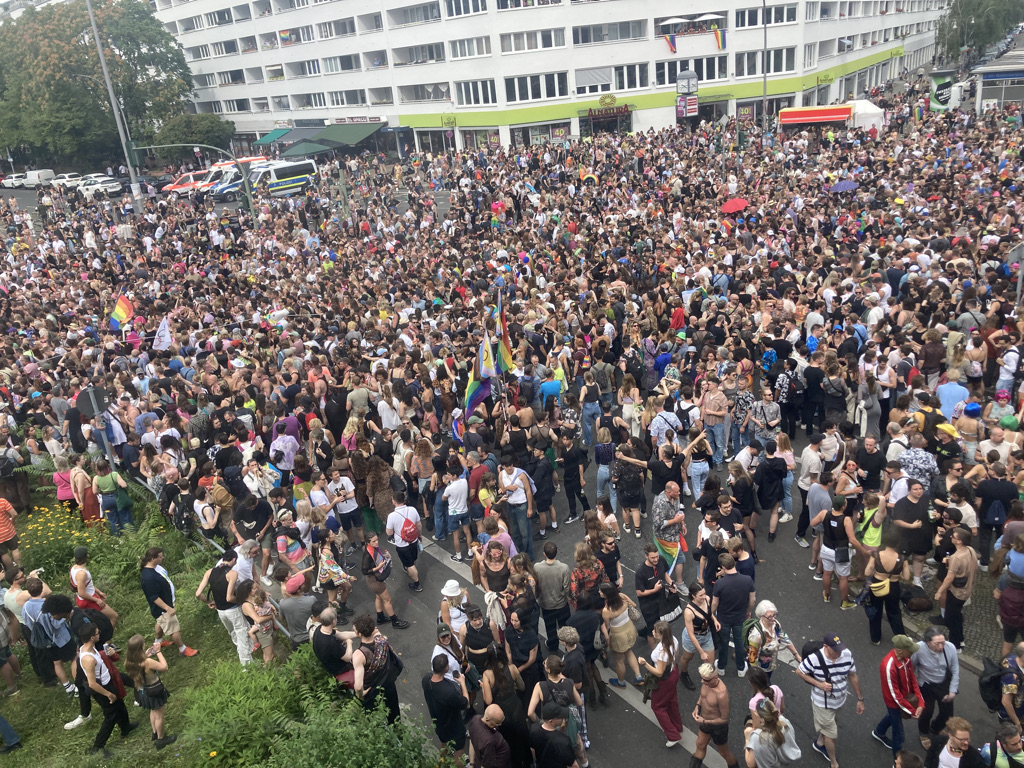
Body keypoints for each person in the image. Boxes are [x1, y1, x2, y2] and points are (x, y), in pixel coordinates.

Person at [796, 633, 866, 768]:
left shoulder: (846, 654)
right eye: (835, 650)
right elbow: (799, 671)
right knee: (831, 736)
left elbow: (852, 675)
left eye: (840, 649)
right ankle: (834, 763)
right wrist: (819, 684)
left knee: (832, 725)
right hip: (822, 704)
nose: (839, 653)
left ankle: (819, 743)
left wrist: (860, 699)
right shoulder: (814, 659)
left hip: (839, 700)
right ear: (825, 646)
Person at [78, 622, 139, 757]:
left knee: (120, 705)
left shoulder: (88, 648)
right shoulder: (88, 659)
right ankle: (98, 746)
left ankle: (125, 728)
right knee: (110, 717)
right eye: (97, 633)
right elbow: (92, 684)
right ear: (91, 637)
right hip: (103, 689)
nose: (100, 633)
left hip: (108, 682)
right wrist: (109, 694)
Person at [194, 549, 251, 665]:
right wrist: (244, 600)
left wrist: (209, 601)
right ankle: (247, 664)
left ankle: (242, 650)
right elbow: (229, 597)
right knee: (242, 633)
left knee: (233, 633)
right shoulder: (232, 574)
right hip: (233, 609)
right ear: (234, 560)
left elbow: (198, 593)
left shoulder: (209, 572)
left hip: (221, 611)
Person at [139, 547, 199, 658]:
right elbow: (154, 597)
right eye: (160, 556)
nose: (163, 558)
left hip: (167, 603)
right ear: (153, 558)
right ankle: (182, 649)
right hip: (163, 608)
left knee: (160, 623)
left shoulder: (156, 567)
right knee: (173, 628)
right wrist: (167, 608)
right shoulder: (148, 578)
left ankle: (158, 641)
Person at [872, 634, 925, 758]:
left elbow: (913, 680)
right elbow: (895, 696)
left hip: (902, 700)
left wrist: (920, 703)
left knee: (892, 716)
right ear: (901, 651)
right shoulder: (888, 667)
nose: (913, 652)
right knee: (899, 735)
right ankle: (897, 762)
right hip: (894, 703)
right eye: (910, 650)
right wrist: (913, 711)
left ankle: (879, 732)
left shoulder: (906, 659)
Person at [124, 633, 177, 750]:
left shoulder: (129, 661)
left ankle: (155, 733)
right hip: (155, 691)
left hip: (144, 692)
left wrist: (146, 655)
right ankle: (161, 739)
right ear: (141, 647)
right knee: (159, 715)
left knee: (153, 711)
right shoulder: (147, 662)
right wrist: (158, 652)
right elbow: (164, 667)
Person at [912, 627, 960, 750]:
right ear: (927, 642)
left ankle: (935, 729)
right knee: (926, 711)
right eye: (937, 644)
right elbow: (911, 669)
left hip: (943, 684)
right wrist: (912, 689)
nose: (941, 647)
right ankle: (923, 733)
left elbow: (955, 669)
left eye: (943, 643)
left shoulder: (950, 648)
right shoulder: (918, 649)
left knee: (947, 714)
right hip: (926, 684)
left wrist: (952, 690)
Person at [639, 620, 683, 748]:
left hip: (665, 679)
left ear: (661, 634)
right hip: (673, 672)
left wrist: (645, 664)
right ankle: (677, 726)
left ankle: (673, 735)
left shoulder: (663, 651)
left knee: (657, 706)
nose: (653, 632)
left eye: (655, 631)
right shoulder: (673, 640)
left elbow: (659, 672)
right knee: (671, 701)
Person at [351, 613, 402, 724]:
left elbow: (358, 686)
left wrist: (360, 694)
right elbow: (378, 634)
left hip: (372, 690)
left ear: (359, 634)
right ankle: (398, 735)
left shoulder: (359, 655)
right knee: (394, 714)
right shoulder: (382, 640)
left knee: (372, 718)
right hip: (388, 685)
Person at [712, 552, 756, 677]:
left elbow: (715, 603)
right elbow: (752, 600)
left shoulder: (720, 584)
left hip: (723, 618)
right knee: (739, 641)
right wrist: (748, 611)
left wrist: (711, 615)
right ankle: (741, 668)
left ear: (723, 568)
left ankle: (721, 667)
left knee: (724, 642)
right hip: (740, 616)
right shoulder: (747, 580)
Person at [863, 531, 910, 645]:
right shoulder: (903, 558)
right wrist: (898, 575)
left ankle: (876, 638)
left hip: (877, 585)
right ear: (897, 544)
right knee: (894, 613)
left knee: (876, 610)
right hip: (893, 586)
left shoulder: (876, 555)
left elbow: (867, 572)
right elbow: (907, 576)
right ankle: (901, 639)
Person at [934, 528, 977, 651]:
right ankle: (960, 639)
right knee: (957, 615)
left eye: (953, 536)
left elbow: (949, 578)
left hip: (956, 592)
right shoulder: (970, 550)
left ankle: (955, 645)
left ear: (959, 541)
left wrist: (939, 591)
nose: (951, 537)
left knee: (950, 618)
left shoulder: (956, 558)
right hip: (967, 589)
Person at [423, 652, 470, 761]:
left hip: (439, 724)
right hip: (454, 728)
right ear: (447, 668)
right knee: (459, 751)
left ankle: (442, 762)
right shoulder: (449, 692)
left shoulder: (426, 680)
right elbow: (465, 703)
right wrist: (462, 683)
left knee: (444, 743)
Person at [690, 663, 738, 768]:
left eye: (705, 680)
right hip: (704, 722)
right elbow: (702, 696)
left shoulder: (721, 694)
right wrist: (697, 706)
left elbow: (724, 719)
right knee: (700, 744)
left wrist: (704, 721)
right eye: (702, 679)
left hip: (718, 728)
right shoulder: (707, 682)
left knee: (724, 752)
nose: (702, 681)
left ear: (715, 678)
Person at [360, 531, 410, 629]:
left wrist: (385, 556)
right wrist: (379, 567)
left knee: (379, 597)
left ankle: (380, 617)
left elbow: (375, 559)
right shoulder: (367, 554)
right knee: (387, 600)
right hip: (376, 581)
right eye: (373, 541)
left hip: (374, 580)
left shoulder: (372, 549)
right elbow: (365, 571)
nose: (377, 542)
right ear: (368, 543)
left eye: (377, 539)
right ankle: (395, 621)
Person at [745, 600, 801, 684]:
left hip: (770, 665)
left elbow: (785, 639)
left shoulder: (776, 624)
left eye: (774, 615)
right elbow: (752, 659)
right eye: (770, 617)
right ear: (761, 616)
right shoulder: (756, 636)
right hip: (760, 669)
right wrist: (757, 677)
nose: (773, 618)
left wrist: (796, 655)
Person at [600, 582, 641, 688]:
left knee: (619, 660)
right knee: (629, 652)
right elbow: (634, 605)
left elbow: (607, 625)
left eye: (601, 591)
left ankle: (621, 682)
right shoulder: (622, 597)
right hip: (629, 628)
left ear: (606, 594)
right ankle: (638, 676)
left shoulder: (606, 610)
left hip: (618, 635)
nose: (599, 592)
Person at [743, 698, 801, 768]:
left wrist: (747, 738)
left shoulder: (758, 738)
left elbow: (750, 764)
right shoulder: (784, 722)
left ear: (762, 720)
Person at [535, 541, 571, 654]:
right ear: (557, 552)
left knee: (550, 627)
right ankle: (568, 645)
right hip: (561, 604)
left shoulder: (537, 567)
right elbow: (566, 588)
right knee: (564, 626)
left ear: (544, 554)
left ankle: (553, 644)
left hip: (546, 604)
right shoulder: (564, 568)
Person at [385, 489, 423, 592]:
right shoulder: (412, 509)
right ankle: (412, 569)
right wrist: (420, 535)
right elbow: (418, 524)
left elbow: (389, 532)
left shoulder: (392, 516)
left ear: (393, 501)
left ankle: (417, 583)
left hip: (402, 544)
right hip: (413, 540)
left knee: (409, 564)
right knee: (413, 559)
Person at [529, 700, 578, 768]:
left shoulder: (534, 729)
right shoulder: (564, 741)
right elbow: (574, 765)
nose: (563, 718)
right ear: (551, 721)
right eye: (560, 717)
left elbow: (532, 749)